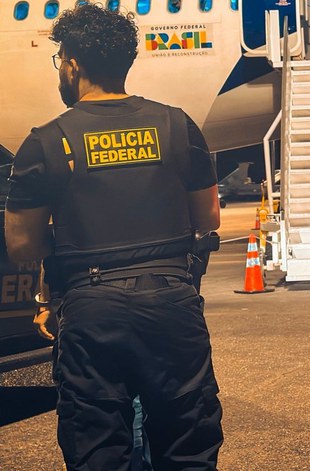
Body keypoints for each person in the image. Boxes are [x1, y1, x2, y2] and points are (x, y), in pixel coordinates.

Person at [5, 4, 224, 470]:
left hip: (92, 310)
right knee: (188, 445)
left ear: (72, 65)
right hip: (172, 303)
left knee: (98, 448)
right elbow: (207, 218)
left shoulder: (46, 141)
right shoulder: (176, 124)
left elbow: (22, 245)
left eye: (60, 61)